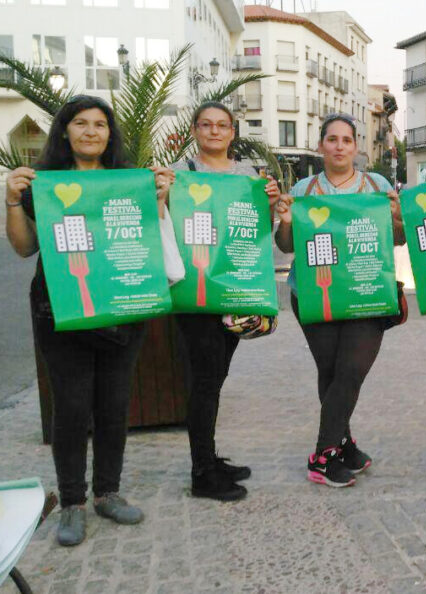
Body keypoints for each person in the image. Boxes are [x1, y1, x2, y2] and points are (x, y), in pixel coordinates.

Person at [5, 95, 175, 545]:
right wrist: (12, 203)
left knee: (114, 405)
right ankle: (72, 503)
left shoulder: (129, 183)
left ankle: (108, 493)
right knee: (72, 408)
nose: (90, 131)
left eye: (100, 124)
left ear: (109, 133)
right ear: (64, 131)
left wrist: (159, 198)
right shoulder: (44, 185)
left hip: (123, 308)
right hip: (61, 310)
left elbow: (149, 239)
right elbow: (24, 248)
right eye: (80, 123)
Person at [274, 114, 405, 488]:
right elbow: (286, 247)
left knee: (351, 371)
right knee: (331, 373)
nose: (339, 146)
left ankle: (322, 454)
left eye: (346, 140)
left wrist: (398, 217)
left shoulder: (376, 185)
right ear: (321, 146)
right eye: (332, 139)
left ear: (356, 147)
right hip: (314, 294)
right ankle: (342, 445)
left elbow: (398, 239)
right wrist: (285, 221)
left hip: (367, 295)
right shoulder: (302, 190)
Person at [168, 101, 281, 502]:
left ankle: (210, 457)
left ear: (232, 132)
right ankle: (202, 472)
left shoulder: (247, 175)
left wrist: (270, 205)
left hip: (232, 288)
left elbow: (258, 232)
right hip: (195, 294)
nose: (214, 131)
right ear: (194, 131)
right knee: (203, 381)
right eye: (206, 125)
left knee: (215, 379)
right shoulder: (180, 174)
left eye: (222, 126)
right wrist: (161, 194)